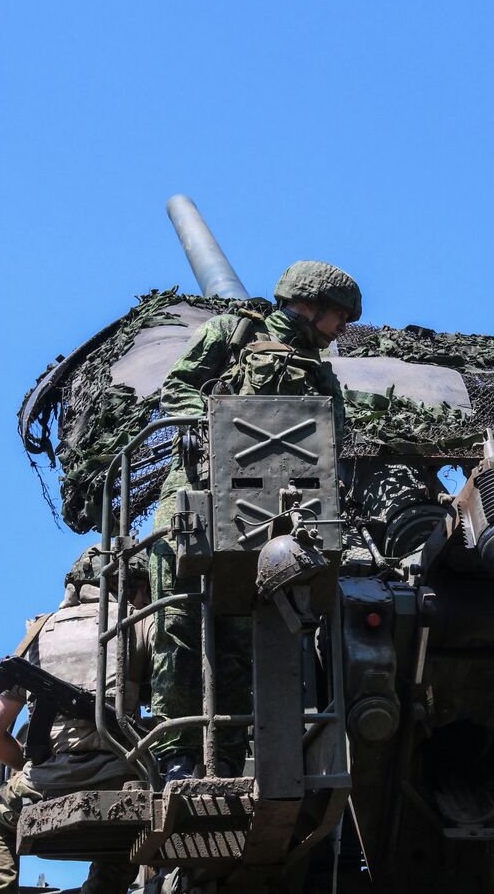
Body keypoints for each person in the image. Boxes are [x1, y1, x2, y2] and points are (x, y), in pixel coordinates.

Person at [148, 260, 360, 782]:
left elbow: (334, 442)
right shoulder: (234, 332)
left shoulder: (320, 375)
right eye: (339, 317)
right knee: (179, 627)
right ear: (309, 305)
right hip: (196, 499)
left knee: (247, 638)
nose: (340, 331)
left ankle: (223, 756)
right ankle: (177, 756)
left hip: (268, 516)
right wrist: (206, 422)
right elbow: (177, 387)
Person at [0, 547, 153, 894]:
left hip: (46, 782)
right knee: (130, 833)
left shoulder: (39, 633)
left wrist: (31, 765)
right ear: (133, 587)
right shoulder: (141, 623)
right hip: (121, 778)